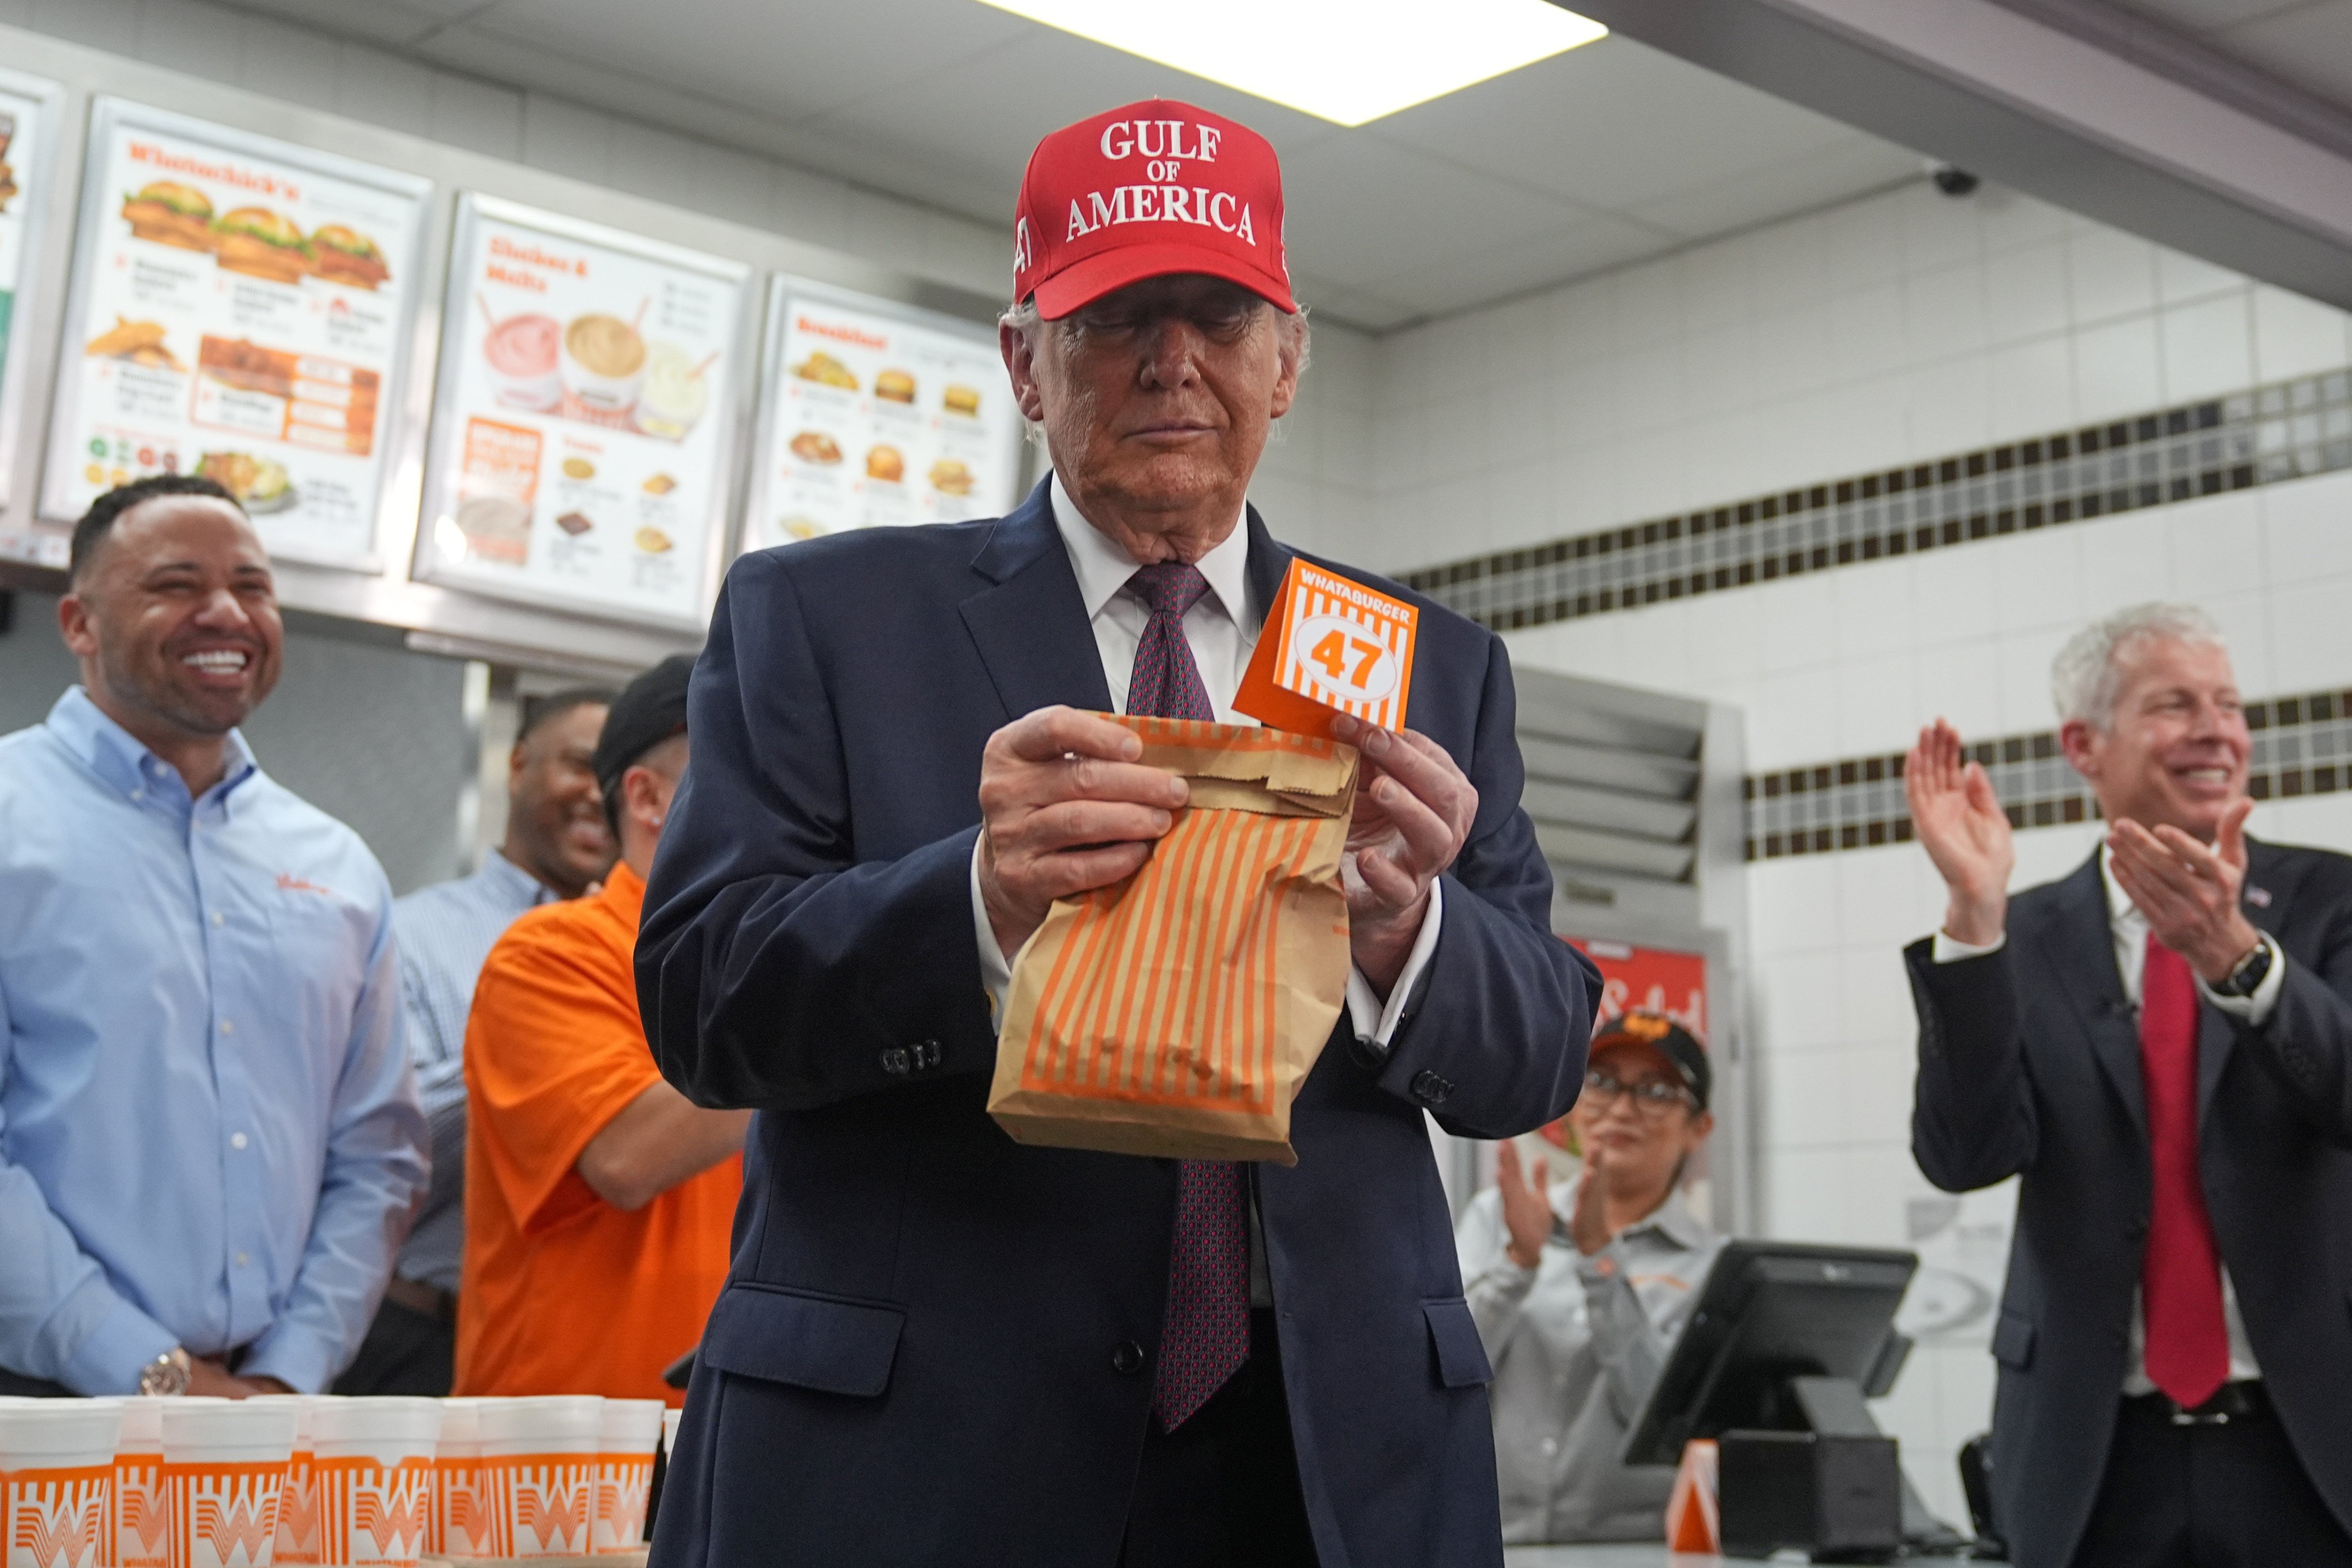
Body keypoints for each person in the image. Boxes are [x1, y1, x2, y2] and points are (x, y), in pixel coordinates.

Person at [638, 101, 1596, 1568]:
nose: (1172, 363)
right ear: (1024, 360)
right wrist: (970, 902)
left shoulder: (1420, 664)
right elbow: (702, 1003)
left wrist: (1415, 935)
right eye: (1112, 318)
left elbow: (1537, 1049)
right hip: (924, 1454)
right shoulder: (829, 621)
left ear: (1290, 359)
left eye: (1218, 315)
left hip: (1325, 1458)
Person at [1904, 603, 2352, 1568]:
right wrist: (1974, 921)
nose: (2217, 730)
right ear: (2085, 744)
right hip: (2091, 1462)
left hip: (2310, 1444)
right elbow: (1962, 1155)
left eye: (2229, 705)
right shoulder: (2017, 936)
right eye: (2175, 705)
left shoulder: (2330, 902)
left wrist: (2237, 959)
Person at [0, 474, 427, 1399]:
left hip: (266, 1409)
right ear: (78, 622)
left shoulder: (338, 862)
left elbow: (379, 1153)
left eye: (254, 587)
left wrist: (287, 1375)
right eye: (175, 584)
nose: (227, 612)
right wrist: (154, 1373)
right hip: (32, 1402)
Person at [454, 655, 748, 1404]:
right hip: (565, 1461)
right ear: (648, 797)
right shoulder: (549, 954)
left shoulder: (776, 965)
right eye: (755, 770)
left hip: (736, 1434)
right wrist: (843, 1013)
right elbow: (625, 1154)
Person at [335, 686, 616, 1397]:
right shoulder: (411, 934)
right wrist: (546, 1057)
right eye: (580, 766)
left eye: (619, 777)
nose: (599, 794)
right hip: (422, 1339)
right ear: (518, 765)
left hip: (594, 1341)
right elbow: (389, 1143)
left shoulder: (657, 955)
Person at [1455, 1013, 1723, 1545]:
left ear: (1698, 1129)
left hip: (1635, 1550)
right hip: (1489, 1541)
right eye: (1600, 1083)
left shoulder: (1715, 1266)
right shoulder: (1502, 1219)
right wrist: (1517, 1264)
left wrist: (1601, 1262)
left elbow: (1664, 1423)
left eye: (1655, 1091)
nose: (1622, 1109)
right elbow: (1438, 1382)